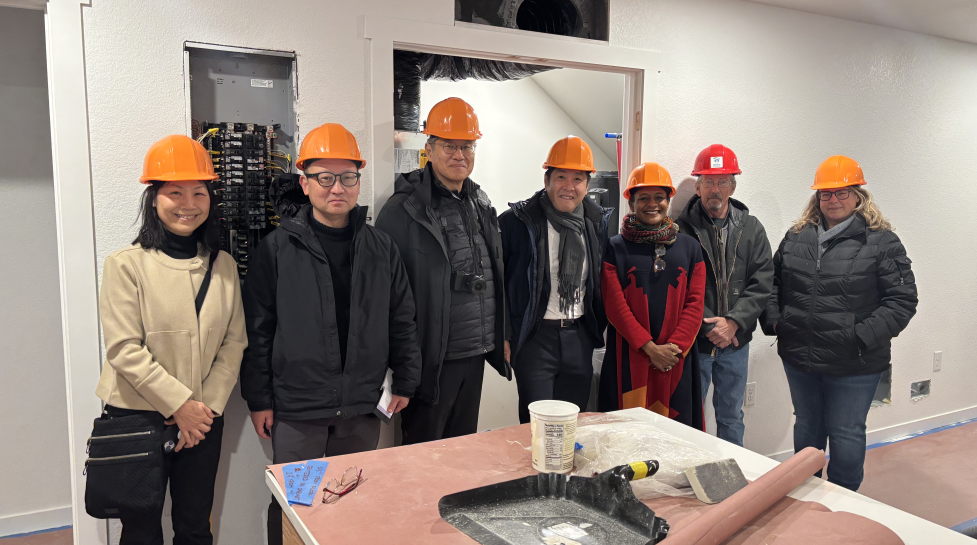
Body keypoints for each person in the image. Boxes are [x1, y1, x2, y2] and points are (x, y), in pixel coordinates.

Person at [239, 123, 421, 544]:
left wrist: (408, 378)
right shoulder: (277, 249)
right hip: (298, 409)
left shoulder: (382, 248)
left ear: (358, 182)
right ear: (304, 183)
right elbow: (258, 331)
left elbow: (401, 318)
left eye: (347, 177)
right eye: (324, 177)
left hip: (360, 408)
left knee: (350, 502)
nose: (336, 187)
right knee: (296, 504)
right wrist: (259, 398)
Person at [95, 135, 246, 544]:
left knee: (195, 526)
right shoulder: (126, 266)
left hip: (202, 420)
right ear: (154, 199)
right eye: (175, 192)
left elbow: (234, 345)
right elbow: (124, 349)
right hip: (137, 415)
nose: (189, 203)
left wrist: (203, 411)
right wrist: (179, 405)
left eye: (199, 192)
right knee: (140, 527)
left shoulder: (224, 266)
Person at [761, 155, 917, 491]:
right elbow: (773, 283)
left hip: (855, 362)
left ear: (859, 195)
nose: (833, 201)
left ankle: (846, 502)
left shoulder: (881, 241)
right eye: (825, 194)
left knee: (846, 433)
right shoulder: (797, 236)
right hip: (800, 356)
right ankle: (805, 493)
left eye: (842, 193)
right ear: (816, 198)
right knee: (807, 427)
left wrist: (858, 337)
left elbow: (902, 300)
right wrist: (776, 323)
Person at [376, 97, 510, 444]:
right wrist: (402, 364)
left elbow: (495, 275)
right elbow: (387, 295)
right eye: (449, 146)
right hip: (430, 361)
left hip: (475, 352)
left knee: (461, 450)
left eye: (467, 146)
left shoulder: (480, 202)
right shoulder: (403, 211)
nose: (459, 155)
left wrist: (500, 336)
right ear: (430, 148)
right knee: (423, 455)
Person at [499, 136, 611, 423]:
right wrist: (505, 334)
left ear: (587, 185)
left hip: (579, 336)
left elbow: (599, 281)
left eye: (577, 178)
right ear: (547, 179)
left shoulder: (596, 223)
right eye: (561, 176)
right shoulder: (516, 222)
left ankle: (565, 471)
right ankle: (538, 471)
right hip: (536, 338)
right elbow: (500, 284)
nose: (569, 186)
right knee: (536, 426)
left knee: (573, 424)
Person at [675, 144, 773, 446]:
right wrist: (709, 328)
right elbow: (679, 290)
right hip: (696, 344)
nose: (714, 189)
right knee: (691, 418)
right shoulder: (680, 230)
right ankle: (694, 475)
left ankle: (734, 475)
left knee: (732, 416)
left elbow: (763, 281)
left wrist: (733, 323)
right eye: (708, 181)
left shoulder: (752, 229)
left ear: (733, 185)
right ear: (697, 185)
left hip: (736, 343)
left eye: (722, 181)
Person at [598, 163, 706, 428]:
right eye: (643, 198)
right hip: (630, 353)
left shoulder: (691, 248)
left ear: (668, 201)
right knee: (625, 431)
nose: (652, 204)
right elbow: (615, 305)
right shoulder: (615, 247)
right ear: (632, 203)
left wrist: (674, 349)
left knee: (676, 432)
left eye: (659, 197)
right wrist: (648, 348)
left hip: (675, 356)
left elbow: (695, 303)